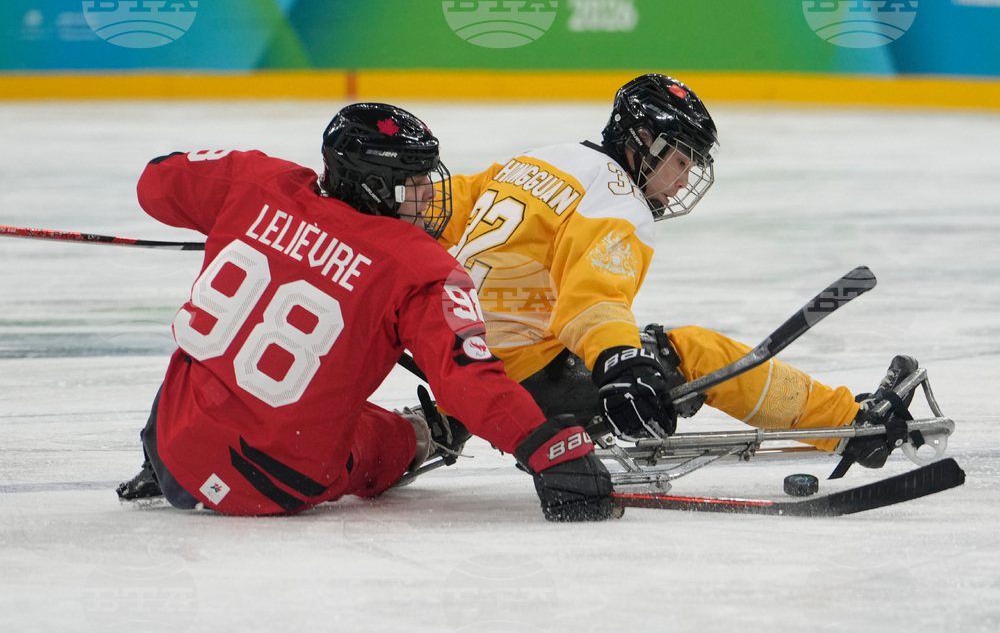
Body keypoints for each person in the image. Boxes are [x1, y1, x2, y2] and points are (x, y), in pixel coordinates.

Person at [117, 103, 613, 521]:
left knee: (203, 361)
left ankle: (152, 458)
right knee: (387, 437)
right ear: (376, 186)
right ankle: (427, 435)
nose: (428, 196)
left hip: (175, 444)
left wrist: (243, 217)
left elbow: (153, 182)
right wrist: (544, 447)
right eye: (415, 184)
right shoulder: (419, 266)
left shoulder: (256, 184)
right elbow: (470, 378)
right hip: (274, 482)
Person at [437, 74, 919, 474]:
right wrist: (620, 364)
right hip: (520, 377)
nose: (685, 180)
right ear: (643, 141)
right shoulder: (617, 203)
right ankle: (851, 426)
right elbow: (592, 300)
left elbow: (447, 208)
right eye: (681, 160)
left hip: (450, 353)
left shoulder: (539, 159)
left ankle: (443, 423)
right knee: (690, 353)